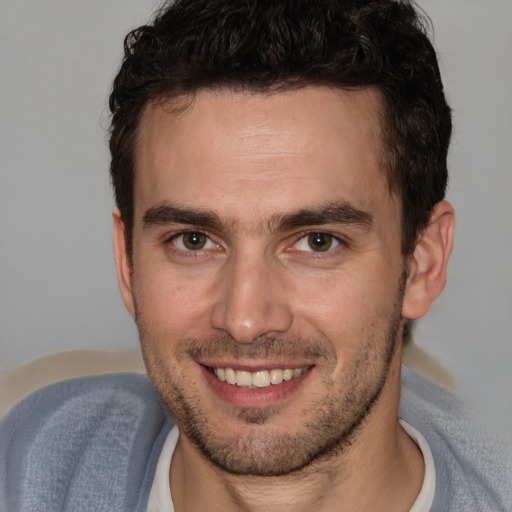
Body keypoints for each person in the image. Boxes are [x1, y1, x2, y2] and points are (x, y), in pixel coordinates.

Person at [1, 0, 510, 510]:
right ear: (127, 263)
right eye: (193, 240)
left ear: (422, 262)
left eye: (317, 241)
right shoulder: (33, 460)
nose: (244, 319)